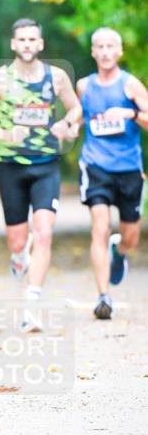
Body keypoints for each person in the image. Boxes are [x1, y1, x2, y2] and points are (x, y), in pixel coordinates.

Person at [0, 19, 81, 316]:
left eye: (33, 40)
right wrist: (5, 134)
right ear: (13, 44)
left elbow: (76, 108)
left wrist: (67, 124)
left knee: (44, 232)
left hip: (46, 165)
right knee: (17, 240)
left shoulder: (55, 77)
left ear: (41, 44)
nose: (28, 45)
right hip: (11, 167)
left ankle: (31, 301)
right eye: (22, 40)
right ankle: (19, 256)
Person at [74, 28, 148, 320]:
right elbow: (80, 117)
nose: (104, 52)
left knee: (130, 235)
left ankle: (121, 251)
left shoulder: (131, 85)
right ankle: (103, 297)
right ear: (93, 51)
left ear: (119, 51)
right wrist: (67, 126)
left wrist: (129, 113)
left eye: (110, 47)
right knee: (100, 226)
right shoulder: (84, 86)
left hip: (129, 167)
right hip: (95, 165)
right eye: (99, 47)